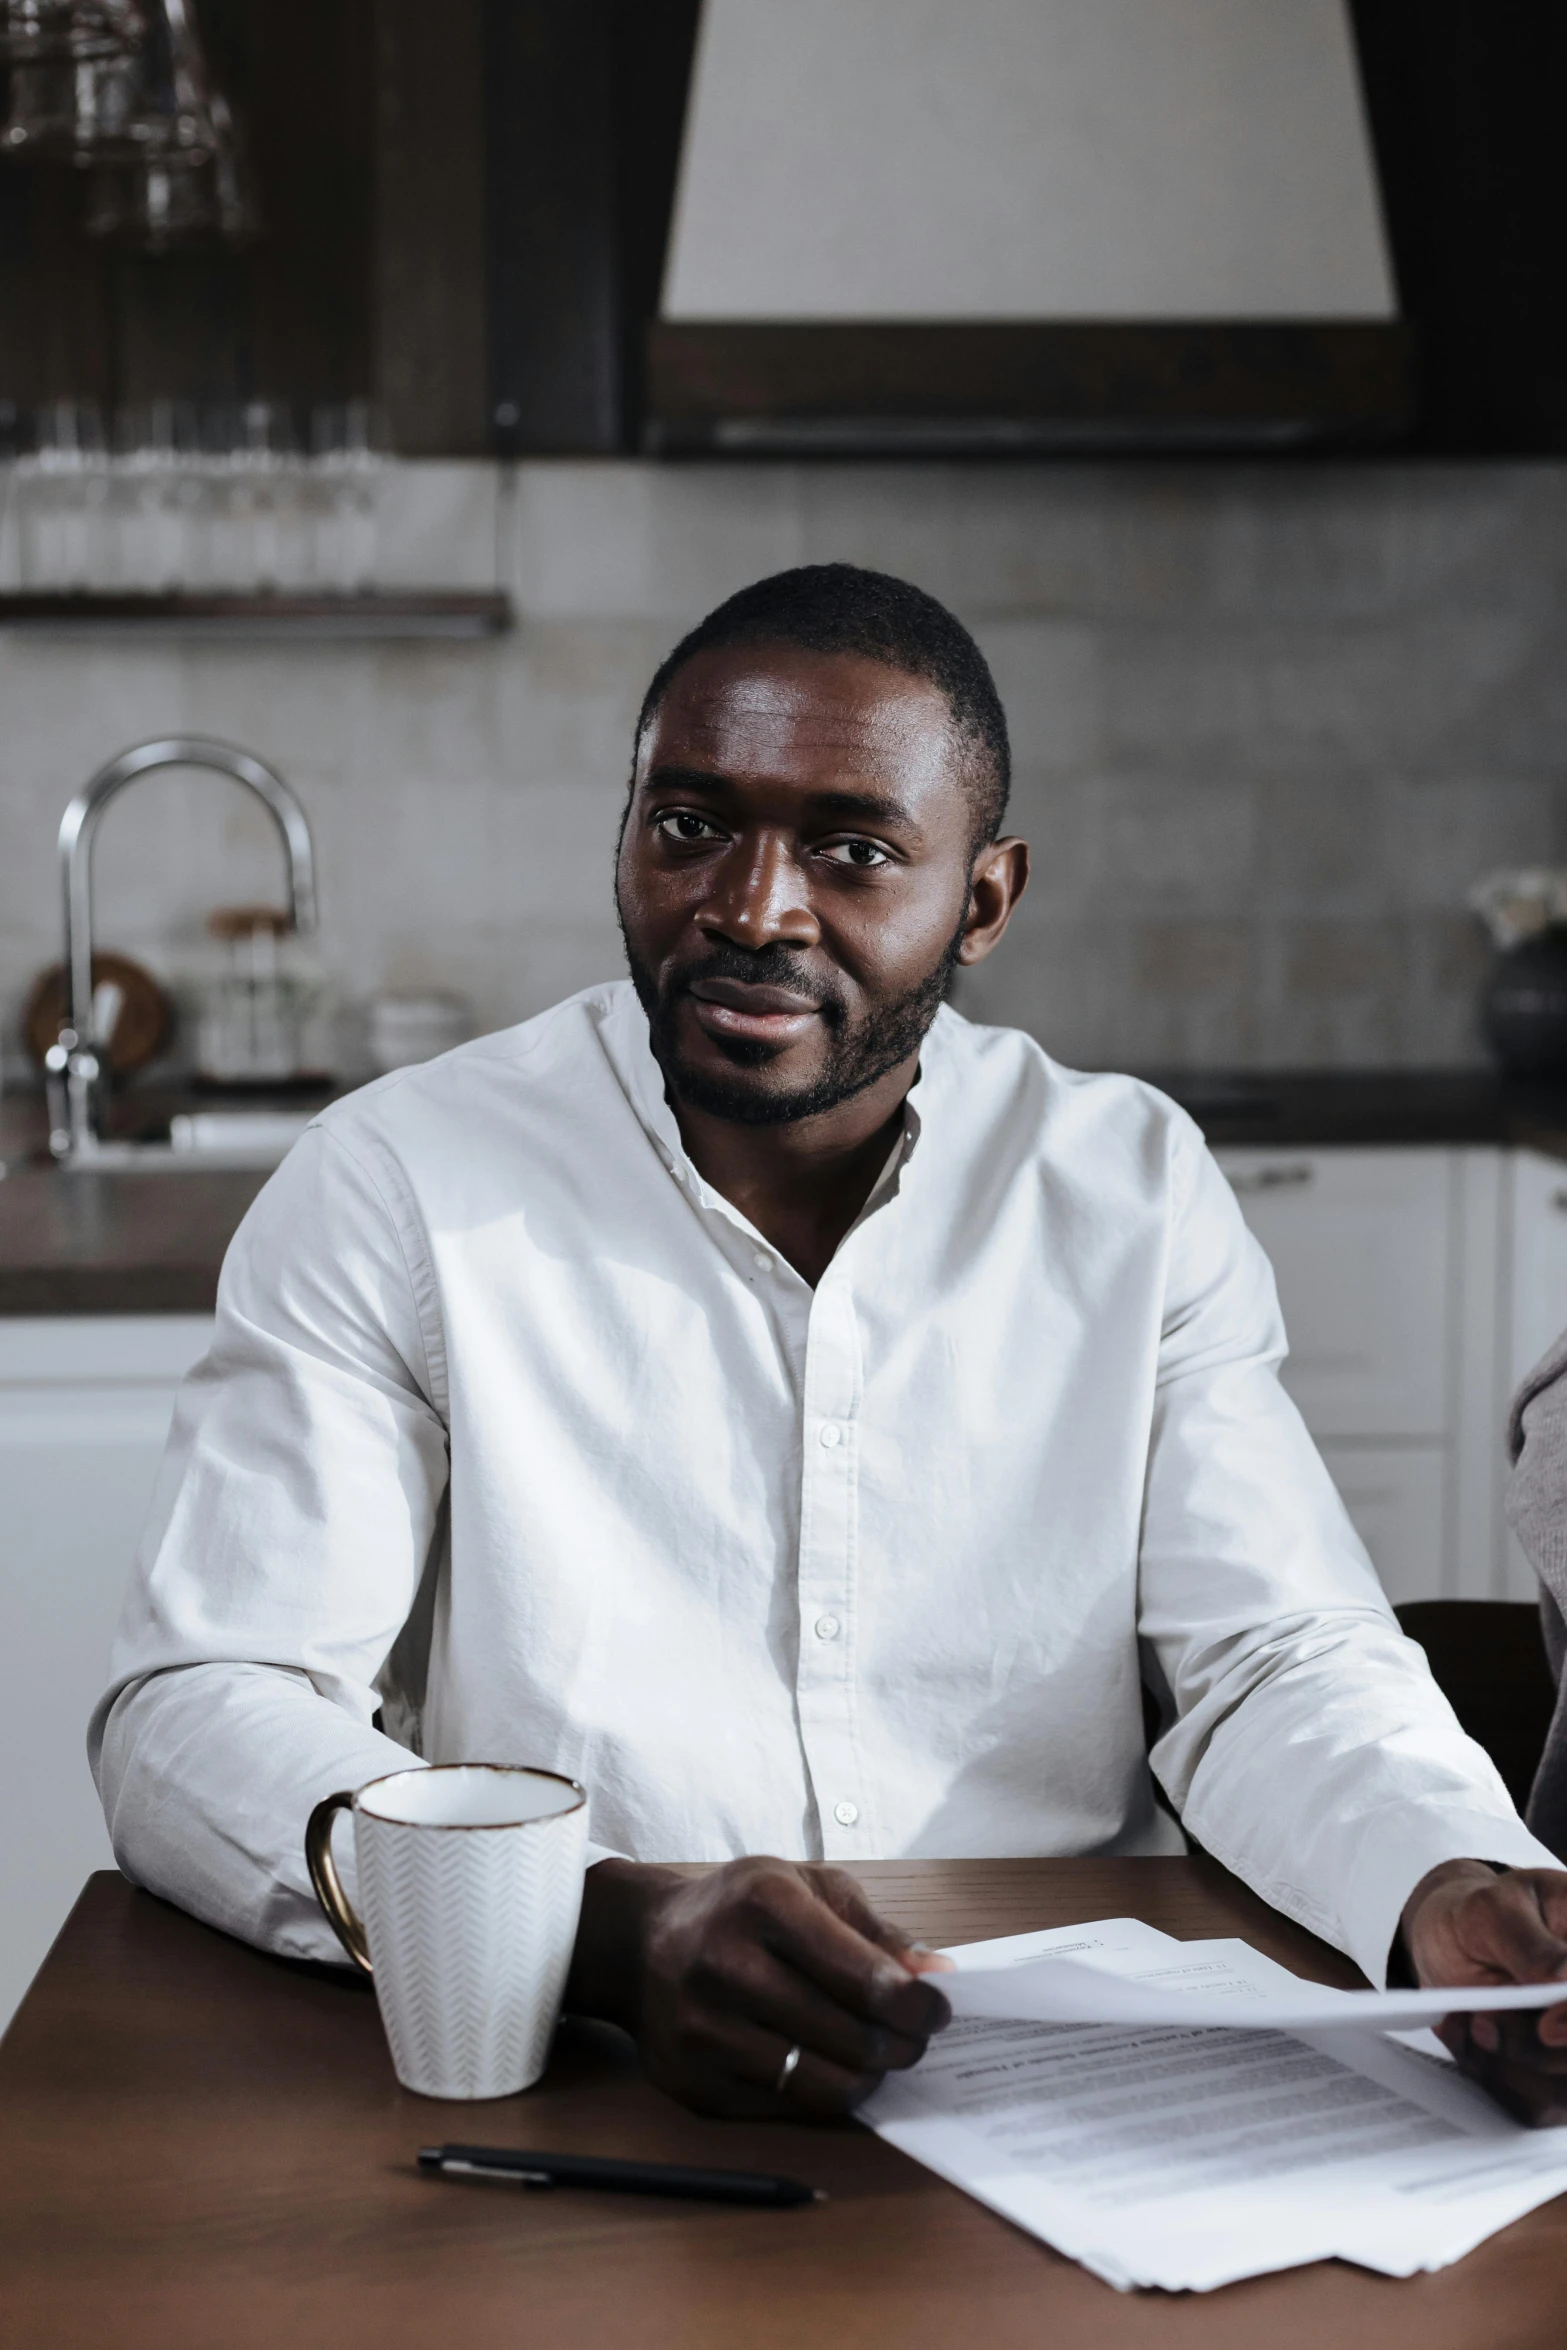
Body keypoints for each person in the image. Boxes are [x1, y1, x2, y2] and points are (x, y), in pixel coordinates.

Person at [93, 563, 1567, 2124]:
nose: (749, 907)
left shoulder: (1125, 1188)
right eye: (689, 825)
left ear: (982, 901)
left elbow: (1269, 1655)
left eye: (852, 850)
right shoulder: (399, 1181)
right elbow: (196, 1707)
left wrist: (1438, 1872)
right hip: (577, 2075)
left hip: (1069, 2084)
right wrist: (590, 1924)